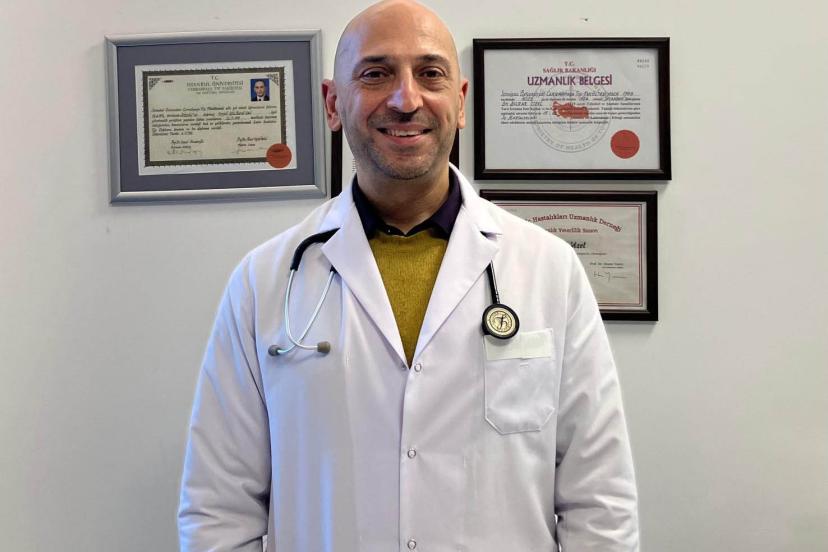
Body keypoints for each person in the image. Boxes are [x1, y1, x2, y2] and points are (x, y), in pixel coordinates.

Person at [178, 1, 639, 550]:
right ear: (333, 103)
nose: (405, 99)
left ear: (460, 102)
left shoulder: (548, 269)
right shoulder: (265, 281)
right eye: (376, 74)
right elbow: (219, 508)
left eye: (430, 73)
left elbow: (599, 497)